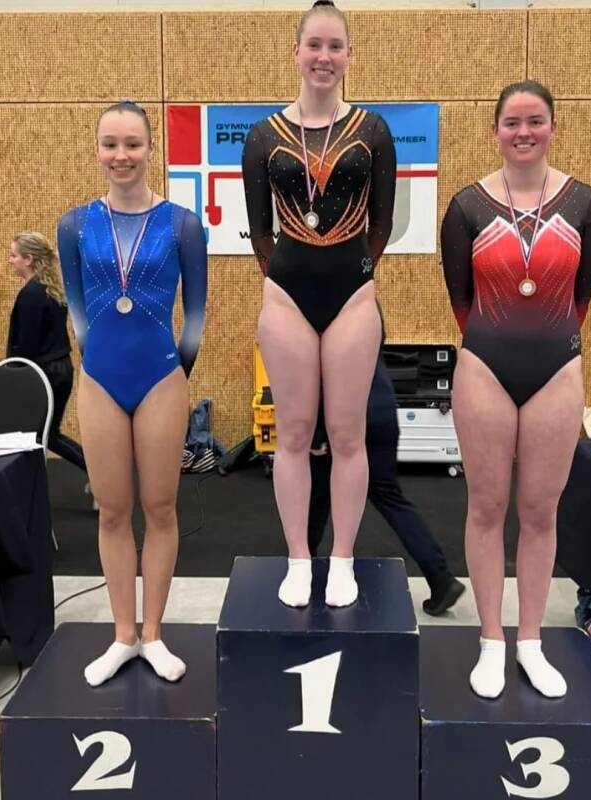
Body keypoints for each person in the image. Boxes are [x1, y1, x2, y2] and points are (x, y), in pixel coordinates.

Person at [440, 81, 591, 698]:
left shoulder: (586, 205)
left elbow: (580, 298)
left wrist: (546, 342)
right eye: (512, 122)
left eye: (535, 121)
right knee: (486, 507)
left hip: (557, 369)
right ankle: (491, 639)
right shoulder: (466, 207)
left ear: (553, 127)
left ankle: (531, 641)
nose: (524, 132)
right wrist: (501, 342)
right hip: (485, 365)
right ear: (495, 131)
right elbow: (461, 301)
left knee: (540, 512)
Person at [242, 0, 396, 608]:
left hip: (353, 295)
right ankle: (299, 558)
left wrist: (356, 275)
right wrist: (288, 277)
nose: (324, 57)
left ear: (349, 55)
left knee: (348, 434)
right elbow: (260, 233)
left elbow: (381, 225)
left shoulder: (373, 131)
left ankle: (343, 558)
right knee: (294, 432)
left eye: (335, 46)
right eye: (315, 45)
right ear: (296, 53)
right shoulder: (262, 136)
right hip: (286, 295)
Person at [57, 100, 207, 686]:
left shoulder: (182, 225)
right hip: (100, 377)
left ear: (150, 149)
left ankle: (155, 633)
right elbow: (77, 307)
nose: (122, 155)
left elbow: (195, 316)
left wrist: (175, 373)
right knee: (113, 511)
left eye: (133, 144)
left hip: (161, 377)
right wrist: (93, 360)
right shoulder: (74, 226)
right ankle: (124, 635)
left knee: (161, 509)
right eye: (111, 144)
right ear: (98, 150)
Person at [307, 354, 465, 616]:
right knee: (390, 496)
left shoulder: (323, 334)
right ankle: (441, 579)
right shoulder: (367, 330)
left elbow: (323, 377)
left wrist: (317, 434)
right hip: (382, 412)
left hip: (345, 419)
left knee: (318, 496)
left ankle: (304, 568)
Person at [7, 232, 86, 473]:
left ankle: (99, 475)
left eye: (14, 255)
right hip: (59, 370)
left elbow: (27, 344)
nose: (10, 261)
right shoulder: (50, 290)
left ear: (28, 259)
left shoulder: (32, 294)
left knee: (45, 435)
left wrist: (14, 376)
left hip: (46, 372)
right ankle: (99, 475)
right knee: (46, 434)